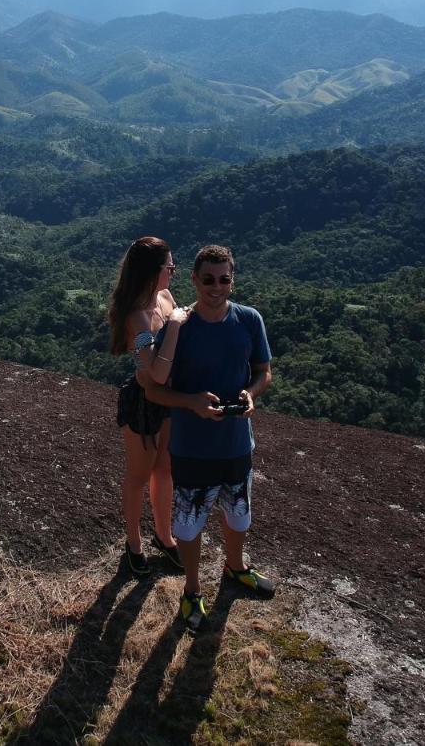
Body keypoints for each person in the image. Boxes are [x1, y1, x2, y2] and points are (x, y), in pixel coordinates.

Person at [143, 244, 274, 633]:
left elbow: (264, 372)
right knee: (187, 526)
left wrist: (252, 393)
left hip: (236, 443)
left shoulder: (249, 320)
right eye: (208, 279)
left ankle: (236, 568)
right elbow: (154, 390)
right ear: (194, 281)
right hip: (191, 446)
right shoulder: (178, 327)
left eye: (224, 279)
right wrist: (193, 403)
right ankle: (192, 589)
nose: (216, 287)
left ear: (232, 280)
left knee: (238, 514)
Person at [106, 236, 187, 575]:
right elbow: (153, 368)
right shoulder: (136, 316)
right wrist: (177, 325)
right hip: (144, 402)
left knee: (165, 470)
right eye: (170, 267)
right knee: (139, 475)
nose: (173, 272)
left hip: (169, 397)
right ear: (154, 272)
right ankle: (134, 542)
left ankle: (165, 536)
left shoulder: (165, 297)